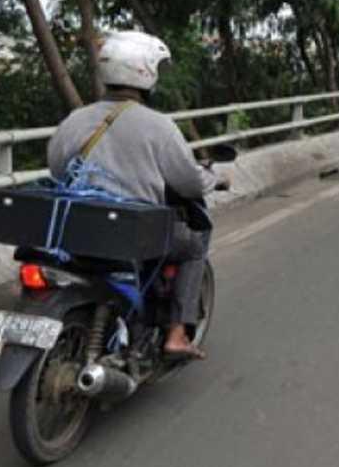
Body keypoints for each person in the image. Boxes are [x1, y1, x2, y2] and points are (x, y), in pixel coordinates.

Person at [47, 31, 217, 360]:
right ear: (146, 71)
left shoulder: (75, 119)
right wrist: (214, 179)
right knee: (194, 246)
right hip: (133, 231)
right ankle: (177, 334)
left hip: (73, 226)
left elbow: (56, 168)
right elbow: (188, 183)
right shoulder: (158, 125)